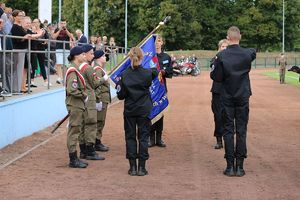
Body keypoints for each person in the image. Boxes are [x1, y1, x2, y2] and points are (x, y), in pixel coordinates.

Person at [210, 26, 256, 177]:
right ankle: (240, 167)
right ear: (240, 37)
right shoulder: (247, 53)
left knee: (228, 130)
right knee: (241, 130)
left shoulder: (222, 56)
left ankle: (230, 166)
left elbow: (216, 77)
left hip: (227, 97)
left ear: (227, 38)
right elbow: (253, 52)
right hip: (242, 96)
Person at [116, 47, 158, 176]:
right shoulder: (147, 74)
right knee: (143, 137)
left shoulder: (124, 75)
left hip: (130, 109)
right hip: (144, 109)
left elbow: (121, 96)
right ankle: (142, 168)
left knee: (130, 137)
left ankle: (132, 167)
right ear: (142, 58)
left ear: (129, 58)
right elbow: (155, 71)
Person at [78, 44, 106, 161]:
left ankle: (84, 150)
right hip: (89, 99)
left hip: (83, 99)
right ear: (85, 54)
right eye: (91, 53)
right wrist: (103, 79)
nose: (93, 56)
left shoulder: (79, 67)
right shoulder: (88, 68)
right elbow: (94, 83)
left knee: (83, 125)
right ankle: (90, 150)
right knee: (91, 124)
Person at [65, 46, 88, 168]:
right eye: (82, 54)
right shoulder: (73, 71)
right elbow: (72, 89)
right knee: (74, 131)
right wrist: (83, 95)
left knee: (76, 130)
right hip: (75, 104)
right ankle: (73, 159)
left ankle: (74, 157)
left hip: (77, 104)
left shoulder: (75, 69)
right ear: (76, 56)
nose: (84, 56)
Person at [148, 34, 172, 148]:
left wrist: (164, 72)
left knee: (160, 113)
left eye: (159, 41)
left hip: (162, 89)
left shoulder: (166, 57)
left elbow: (170, 72)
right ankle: (151, 138)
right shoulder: (148, 56)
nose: (157, 43)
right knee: (151, 113)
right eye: (155, 41)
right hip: (151, 89)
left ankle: (159, 138)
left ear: (162, 43)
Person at [210, 39, 229, 149]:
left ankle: (228, 139)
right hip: (217, 91)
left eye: (226, 47)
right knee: (218, 116)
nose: (224, 49)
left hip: (229, 91)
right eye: (223, 47)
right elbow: (213, 72)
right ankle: (219, 140)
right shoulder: (215, 59)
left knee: (228, 116)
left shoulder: (232, 60)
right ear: (219, 48)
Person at [92, 50, 110, 152]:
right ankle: (96, 142)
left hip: (104, 98)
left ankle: (97, 140)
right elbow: (97, 85)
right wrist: (98, 100)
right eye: (103, 56)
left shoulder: (100, 69)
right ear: (99, 58)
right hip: (101, 99)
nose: (105, 57)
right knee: (99, 121)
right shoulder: (98, 69)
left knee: (101, 121)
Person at [53, 18, 74, 84]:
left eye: (64, 23)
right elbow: (53, 37)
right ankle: (60, 77)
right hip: (58, 48)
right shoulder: (57, 29)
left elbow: (72, 37)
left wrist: (66, 30)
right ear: (59, 23)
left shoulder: (69, 29)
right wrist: (59, 30)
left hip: (67, 48)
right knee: (59, 63)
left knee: (66, 64)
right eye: (62, 23)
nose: (63, 24)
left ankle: (65, 77)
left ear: (66, 23)